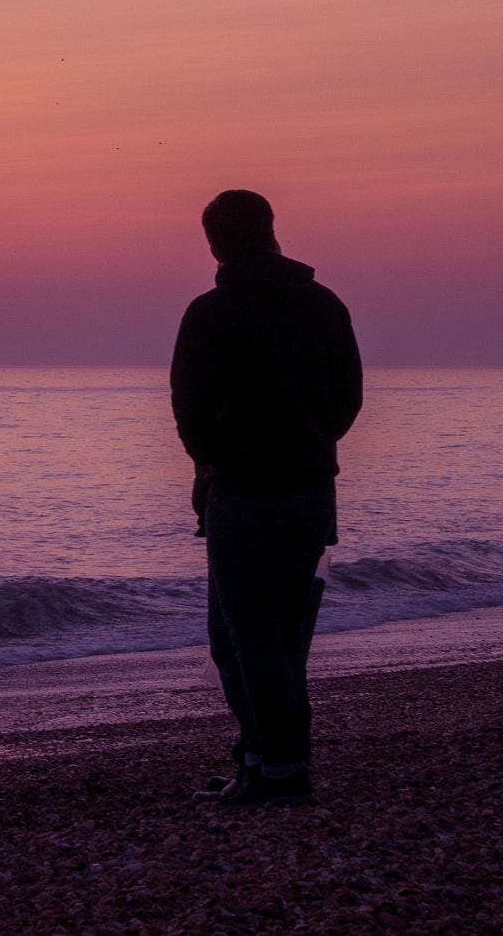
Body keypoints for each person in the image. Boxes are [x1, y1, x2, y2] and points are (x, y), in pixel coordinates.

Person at [172, 190, 361, 807]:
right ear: (272, 231)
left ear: (215, 243)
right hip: (310, 491)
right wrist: (308, 442)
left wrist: (215, 461)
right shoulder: (325, 305)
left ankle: (282, 770)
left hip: (246, 495)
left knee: (247, 636)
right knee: (274, 638)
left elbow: (190, 411)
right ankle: (260, 760)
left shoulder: (211, 312)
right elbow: (347, 400)